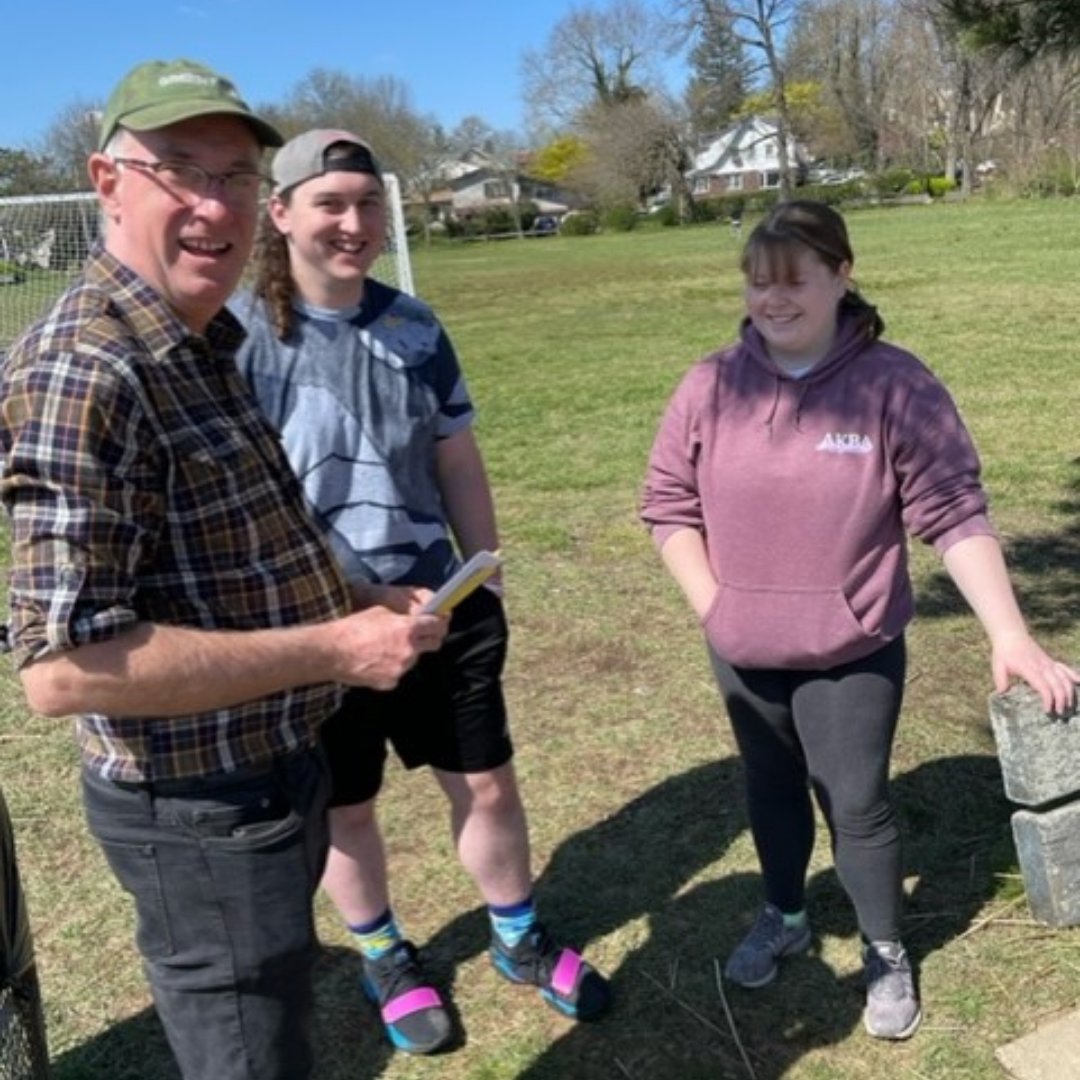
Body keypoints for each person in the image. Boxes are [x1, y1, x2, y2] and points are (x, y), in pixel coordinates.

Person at [0, 62, 448, 1080]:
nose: (214, 205)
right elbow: (62, 671)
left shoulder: (202, 336)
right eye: (179, 172)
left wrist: (355, 598)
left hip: (272, 771)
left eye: (238, 176)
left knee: (281, 1024)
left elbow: (232, 549)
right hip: (198, 810)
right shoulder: (86, 370)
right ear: (106, 182)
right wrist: (336, 646)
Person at [639, 199, 1079, 1041]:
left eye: (794, 280)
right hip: (742, 646)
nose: (772, 299)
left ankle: (884, 950)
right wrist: (716, 605)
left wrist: (1009, 632)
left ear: (842, 275)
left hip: (851, 647)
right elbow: (666, 504)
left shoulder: (894, 384)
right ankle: (785, 914)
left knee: (857, 803)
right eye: (757, 282)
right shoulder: (709, 385)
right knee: (768, 787)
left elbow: (952, 512)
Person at [230, 129, 611, 1055]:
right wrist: (340, 603)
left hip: (438, 609)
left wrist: (481, 572)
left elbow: (457, 454)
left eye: (366, 203)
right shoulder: (234, 339)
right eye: (330, 204)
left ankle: (518, 938)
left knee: (483, 783)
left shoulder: (415, 327)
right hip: (320, 628)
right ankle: (385, 956)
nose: (353, 223)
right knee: (348, 805)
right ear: (279, 215)